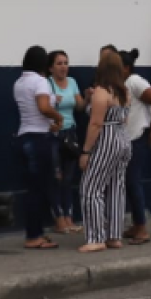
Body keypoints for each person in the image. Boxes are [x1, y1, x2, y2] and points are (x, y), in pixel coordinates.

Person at [79, 51, 132, 253]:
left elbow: (95, 123)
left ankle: (95, 238)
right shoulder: (124, 92)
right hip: (123, 138)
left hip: (107, 138)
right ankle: (114, 236)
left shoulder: (101, 92)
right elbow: (125, 119)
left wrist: (86, 151)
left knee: (91, 188)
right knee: (116, 188)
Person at [14, 46, 65, 250]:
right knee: (40, 189)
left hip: (23, 136)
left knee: (32, 189)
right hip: (38, 139)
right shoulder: (40, 81)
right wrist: (58, 117)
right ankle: (34, 236)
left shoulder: (19, 83)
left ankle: (34, 233)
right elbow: (44, 107)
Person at [121, 49, 151, 245]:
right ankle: (137, 225)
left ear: (126, 68)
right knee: (129, 183)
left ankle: (142, 229)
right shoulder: (122, 84)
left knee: (133, 182)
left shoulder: (134, 82)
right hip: (127, 138)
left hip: (137, 137)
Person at [46, 50, 84, 235]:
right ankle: (58, 220)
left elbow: (80, 106)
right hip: (53, 135)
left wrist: (88, 98)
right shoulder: (47, 84)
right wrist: (53, 101)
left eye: (66, 63)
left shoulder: (73, 82)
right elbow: (42, 107)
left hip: (71, 134)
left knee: (68, 179)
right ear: (51, 67)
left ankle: (69, 218)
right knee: (56, 177)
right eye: (59, 63)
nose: (63, 67)